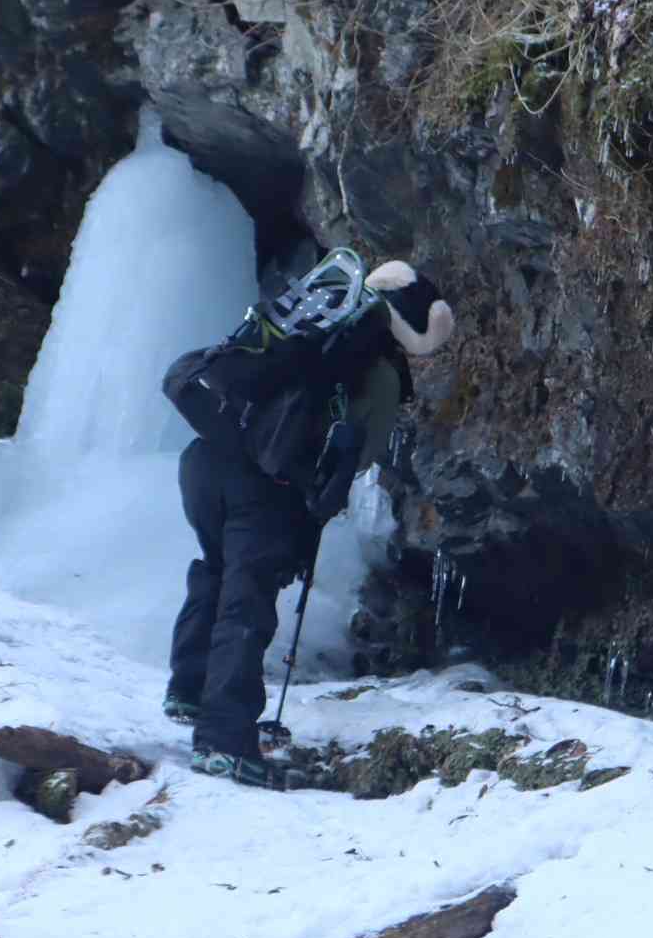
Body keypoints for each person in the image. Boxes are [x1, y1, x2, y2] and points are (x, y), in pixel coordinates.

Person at [164, 259, 456, 789]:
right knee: (247, 600)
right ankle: (224, 741)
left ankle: (188, 689)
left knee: (217, 567)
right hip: (267, 484)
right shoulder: (376, 369)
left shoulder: (309, 321)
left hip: (206, 457)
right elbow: (358, 455)